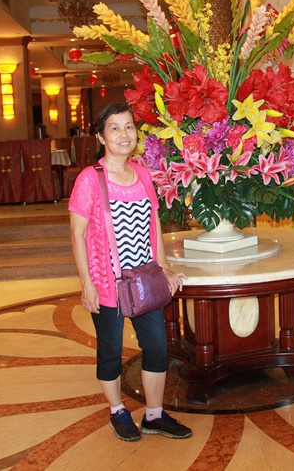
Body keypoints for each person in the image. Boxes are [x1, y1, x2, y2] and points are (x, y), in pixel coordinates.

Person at [69, 103, 192, 441]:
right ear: (100, 137)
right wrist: (86, 284)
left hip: (144, 280)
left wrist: (164, 269)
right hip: (106, 282)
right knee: (110, 349)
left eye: (129, 127)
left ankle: (154, 414)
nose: (124, 134)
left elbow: (154, 225)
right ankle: (117, 411)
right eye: (114, 128)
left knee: (157, 345)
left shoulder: (143, 174)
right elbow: (77, 235)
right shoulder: (89, 179)